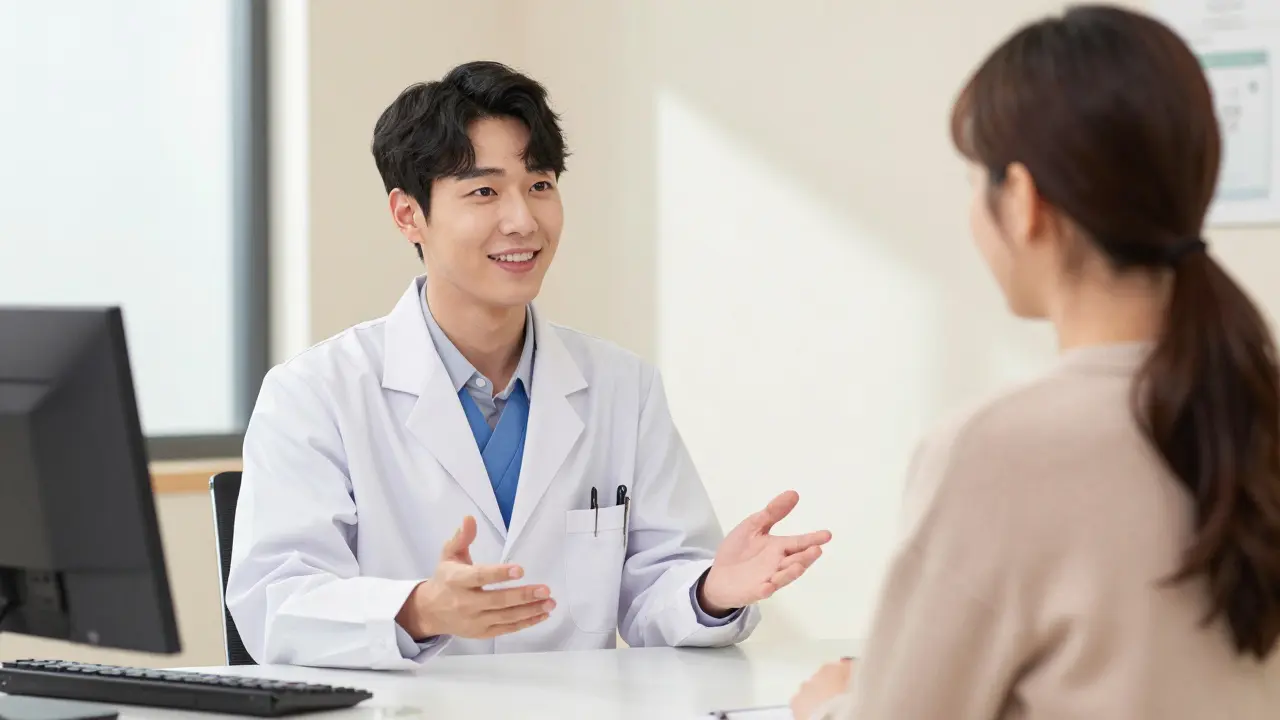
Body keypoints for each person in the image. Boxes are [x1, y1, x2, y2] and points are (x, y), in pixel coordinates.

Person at [226, 60, 830, 670]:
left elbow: (659, 585)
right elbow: (276, 601)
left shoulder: (624, 387)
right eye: (484, 191)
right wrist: (419, 608)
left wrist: (709, 592)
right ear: (408, 214)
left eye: (539, 184)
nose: (523, 220)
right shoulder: (315, 392)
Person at [791, 6, 1280, 719]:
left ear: (1022, 200)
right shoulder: (1256, 405)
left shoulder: (997, 452)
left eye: (973, 181)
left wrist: (830, 707)